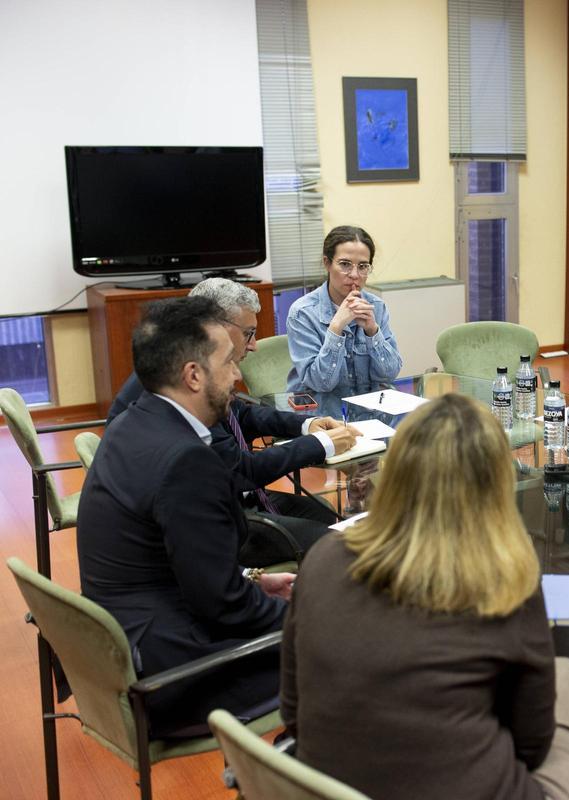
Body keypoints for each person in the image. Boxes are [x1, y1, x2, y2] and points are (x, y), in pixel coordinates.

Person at [281, 394, 569, 800]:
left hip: (327, 787)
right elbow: (531, 746)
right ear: (497, 485)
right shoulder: (505, 581)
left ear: (396, 473)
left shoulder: (323, 558)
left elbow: (294, 715)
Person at [77, 297, 292, 734]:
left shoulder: (131, 423)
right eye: (229, 361)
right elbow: (224, 608)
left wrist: (252, 579)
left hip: (126, 645)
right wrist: (316, 615)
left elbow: (174, 559)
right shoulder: (186, 462)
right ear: (193, 375)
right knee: (345, 646)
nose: (237, 375)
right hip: (174, 675)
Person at [107, 277, 358, 565]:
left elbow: (241, 413)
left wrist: (305, 425)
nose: (253, 347)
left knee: (327, 518)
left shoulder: (189, 363)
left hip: (230, 502)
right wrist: (320, 444)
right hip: (215, 524)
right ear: (215, 327)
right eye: (249, 333)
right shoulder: (177, 387)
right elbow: (240, 471)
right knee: (337, 544)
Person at [286, 225, 403, 416]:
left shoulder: (376, 306)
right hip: (322, 417)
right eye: (345, 264)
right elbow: (320, 382)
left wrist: (372, 331)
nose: (355, 275)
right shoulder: (303, 312)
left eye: (363, 266)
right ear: (327, 263)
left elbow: (389, 374)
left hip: (368, 414)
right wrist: (336, 328)